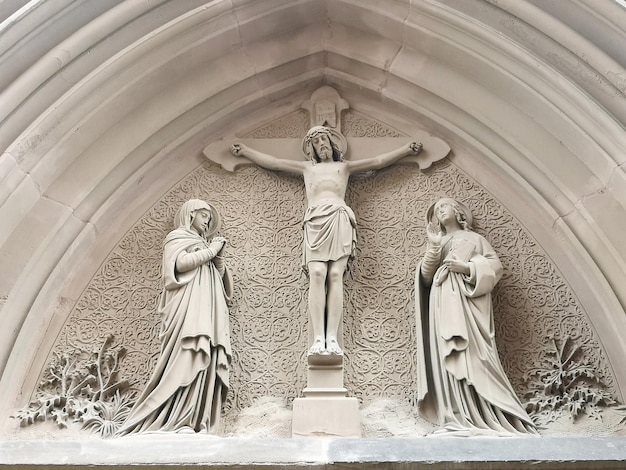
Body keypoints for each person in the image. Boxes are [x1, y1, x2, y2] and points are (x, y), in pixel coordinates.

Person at [232, 126, 421, 356]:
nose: (321, 145)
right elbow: (274, 163)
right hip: (314, 222)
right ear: (311, 149)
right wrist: (246, 151)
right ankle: (318, 337)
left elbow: (378, 161)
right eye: (316, 142)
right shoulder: (306, 168)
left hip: (338, 218)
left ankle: (331, 337)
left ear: (332, 143)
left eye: (323, 139)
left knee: (334, 275)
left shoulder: (344, 167)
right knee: (317, 274)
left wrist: (405, 150)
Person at [414, 198, 537, 436]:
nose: (440, 210)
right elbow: (427, 278)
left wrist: (468, 268)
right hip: (442, 302)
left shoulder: (476, 240)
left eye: (444, 206)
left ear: (458, 212)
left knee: (472, 353)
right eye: (436, 210)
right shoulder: (439, 242)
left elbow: (495, 267)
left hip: (468, 303)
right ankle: (456, 416)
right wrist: (433, 248)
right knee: (446, 353)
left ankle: (486, 414)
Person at [117, 199, 232, 435]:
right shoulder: (178, 237)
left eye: (209, 217)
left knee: (206, 356)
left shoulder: (203, 243)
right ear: (190, 215)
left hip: (207, 310)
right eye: (203, 215)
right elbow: (178, 265)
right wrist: (211, 251)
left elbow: (218, 277)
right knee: (189, 353)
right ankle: (175, 417)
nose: (207, 221)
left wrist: (217, 257)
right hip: (187, 310)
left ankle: (195, 418)